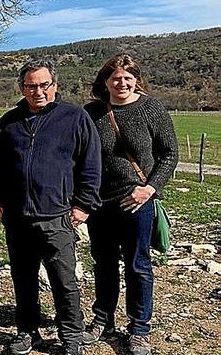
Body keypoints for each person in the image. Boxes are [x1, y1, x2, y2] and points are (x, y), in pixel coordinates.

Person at [0, 58, 102, 355]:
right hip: (17, 217)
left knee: (64, 280)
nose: (38, 91)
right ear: (22, 88)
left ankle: (72, 337)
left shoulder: (74, 118)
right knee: (23, 279)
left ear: (55, 85)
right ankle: (27, 332)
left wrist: (83, 204)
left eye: (43, 85)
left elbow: (91, 165)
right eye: (30, 86)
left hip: (57, 216)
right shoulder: (9, 123)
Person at [82, 54, 178, 355]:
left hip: (137, 199)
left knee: (138, 265)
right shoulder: (92, 112)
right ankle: (103, 320)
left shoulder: (151, 108)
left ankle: (139, 329)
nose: (121, 82)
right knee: (104, 263)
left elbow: (169, 154)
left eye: (127, 77)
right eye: (115, 78)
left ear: (136, 79)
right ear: (105, 81)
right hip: (101, 201)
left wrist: (149, 189)